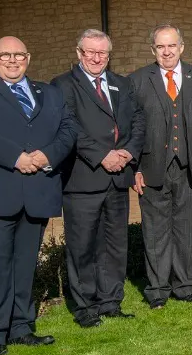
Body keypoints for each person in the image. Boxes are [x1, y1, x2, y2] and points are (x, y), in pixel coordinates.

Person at [0, 36, 77, 355]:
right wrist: (16, 157)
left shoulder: (49, 93)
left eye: (18, 55)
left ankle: (22, 327)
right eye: (5, 55)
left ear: (28, 57)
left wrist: (46, 155)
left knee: (25, 264)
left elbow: (68, 129)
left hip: (37, 189)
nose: (12, 60)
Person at [52, 29, 145, 328]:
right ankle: (85, 307)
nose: (96, 57)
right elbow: (69, 126)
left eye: (102, 53)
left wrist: (128, 153)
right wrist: (102, 155)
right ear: (78, 52)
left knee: (115, 244)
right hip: (83, 178)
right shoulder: (63, 85)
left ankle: (111, 301)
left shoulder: (122, 83)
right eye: (90, 52)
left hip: (118, 177)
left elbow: (139, 121)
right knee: (83, 246)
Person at [128, 24, 192, 309]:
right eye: (160, 47)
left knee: (186, 228)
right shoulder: (138, 80)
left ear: (181, 47)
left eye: (171, 45)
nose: (166, 51)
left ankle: (187, 287)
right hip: (152, 166)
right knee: (155, 231)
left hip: (189, 165)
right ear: (153, 50)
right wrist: (135, 167)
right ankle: (157, 291)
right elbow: (131, 128)